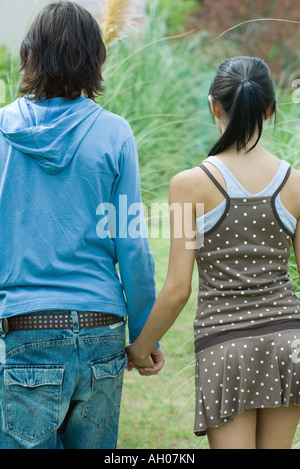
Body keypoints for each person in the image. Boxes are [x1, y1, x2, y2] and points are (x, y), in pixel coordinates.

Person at [0, 1, 164, 450]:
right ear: (95, 59)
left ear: (30, 55)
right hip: (100, 332)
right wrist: (145, 333)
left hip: (25, 329)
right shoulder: (115, 134)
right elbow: (132, 245)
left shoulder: (2, 131)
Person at [126, 56, 300, 449]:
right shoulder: (295, 183)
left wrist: (140, 349)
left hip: (226, 346)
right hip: (289, 341)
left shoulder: (190, 185)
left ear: (213, 106)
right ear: (271, 109)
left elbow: (176, 291)